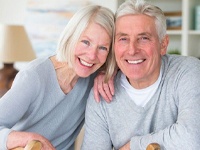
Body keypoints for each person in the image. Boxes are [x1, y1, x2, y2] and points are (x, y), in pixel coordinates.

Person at [82, 0, 200, 149]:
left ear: (163, 44)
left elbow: (193, 139)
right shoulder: (102, 94)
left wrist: (132, 146)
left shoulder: (187, 71)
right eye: (123, 39)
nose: (132, 50)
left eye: (143, 38)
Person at [0, 5, 115, 150]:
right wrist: (28, 138)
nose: (92, 55)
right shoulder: (34, 77)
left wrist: (108, 73)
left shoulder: (95, 79)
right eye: (86, 42)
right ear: (71, 37)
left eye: (103, 48)